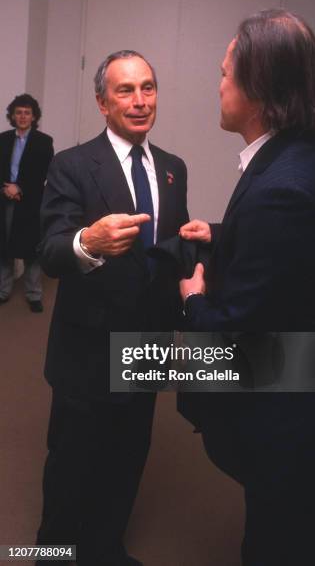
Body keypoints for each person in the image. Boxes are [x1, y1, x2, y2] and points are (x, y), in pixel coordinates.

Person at [179, 10, 315, 566]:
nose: (219, 84)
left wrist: (193, 298)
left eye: (226, 73)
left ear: (258, 86)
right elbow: (295, 253)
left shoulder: (281, 188)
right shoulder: (306, 156)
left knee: (280, 547)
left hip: (302, 429)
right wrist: (225, 232)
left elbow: (233, 337)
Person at [36, 50, 188, 566]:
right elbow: (51, 252)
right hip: (87, 353)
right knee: (71, 469)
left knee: (127, 461)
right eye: (125, 90)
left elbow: (169, 252)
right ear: (102, 102)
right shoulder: (72, 165)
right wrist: (88, 241)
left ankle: (105, 549)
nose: (140, 100)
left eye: (148, 87)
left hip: (146, 350)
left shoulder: (172, 169)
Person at [0, 94, 53, 312]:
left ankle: (33, 294)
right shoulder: (2, 139)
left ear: (33, 117)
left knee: (32, 248)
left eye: (27, 113)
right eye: (19, 112)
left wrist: (19, 187)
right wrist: (6, 188)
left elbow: (44, 173)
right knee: (3, 246)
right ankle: (3, 290)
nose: (22, 116)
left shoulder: (44, 141)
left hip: (30, 201)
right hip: (4, 199)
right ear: (12, 115)